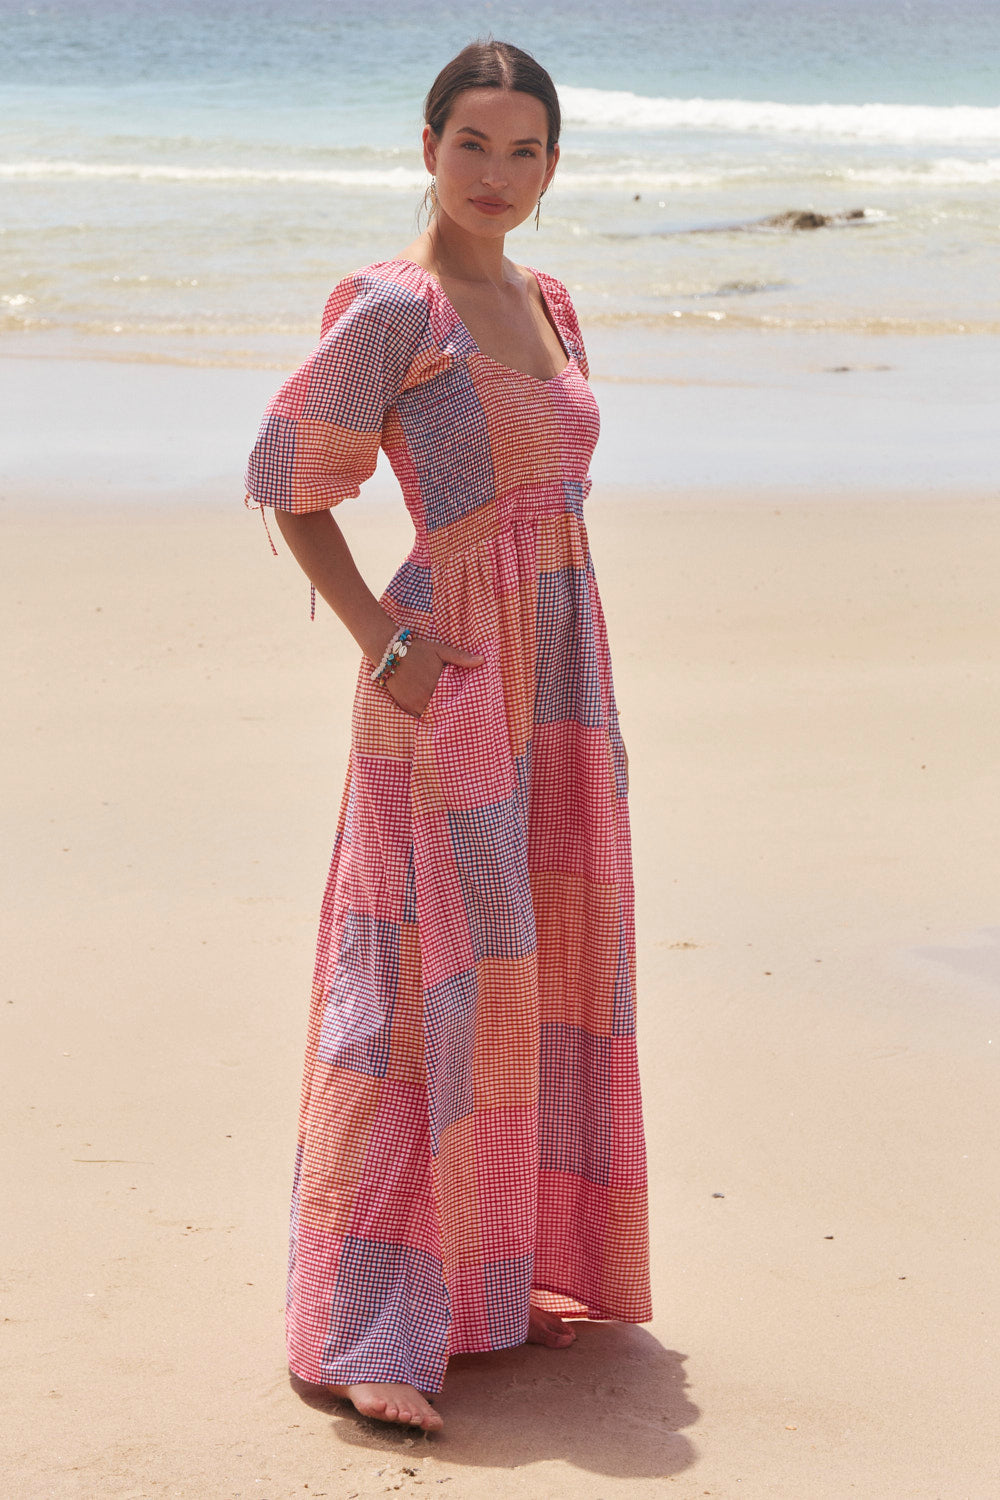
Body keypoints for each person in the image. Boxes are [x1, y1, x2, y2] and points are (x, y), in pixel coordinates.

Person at [245, 39, 651, 1434]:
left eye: (526, 150)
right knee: (427, 973)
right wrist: (384, 640)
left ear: (553, 166)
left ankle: (494, 1275)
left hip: (563, 668)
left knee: (537, 954)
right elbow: (290, 473)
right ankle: (368, 1324)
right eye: (473, 143)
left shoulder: (549, 300)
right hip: (453, 663)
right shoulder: (392, 306)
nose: (498, 174)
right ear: (427, 147)